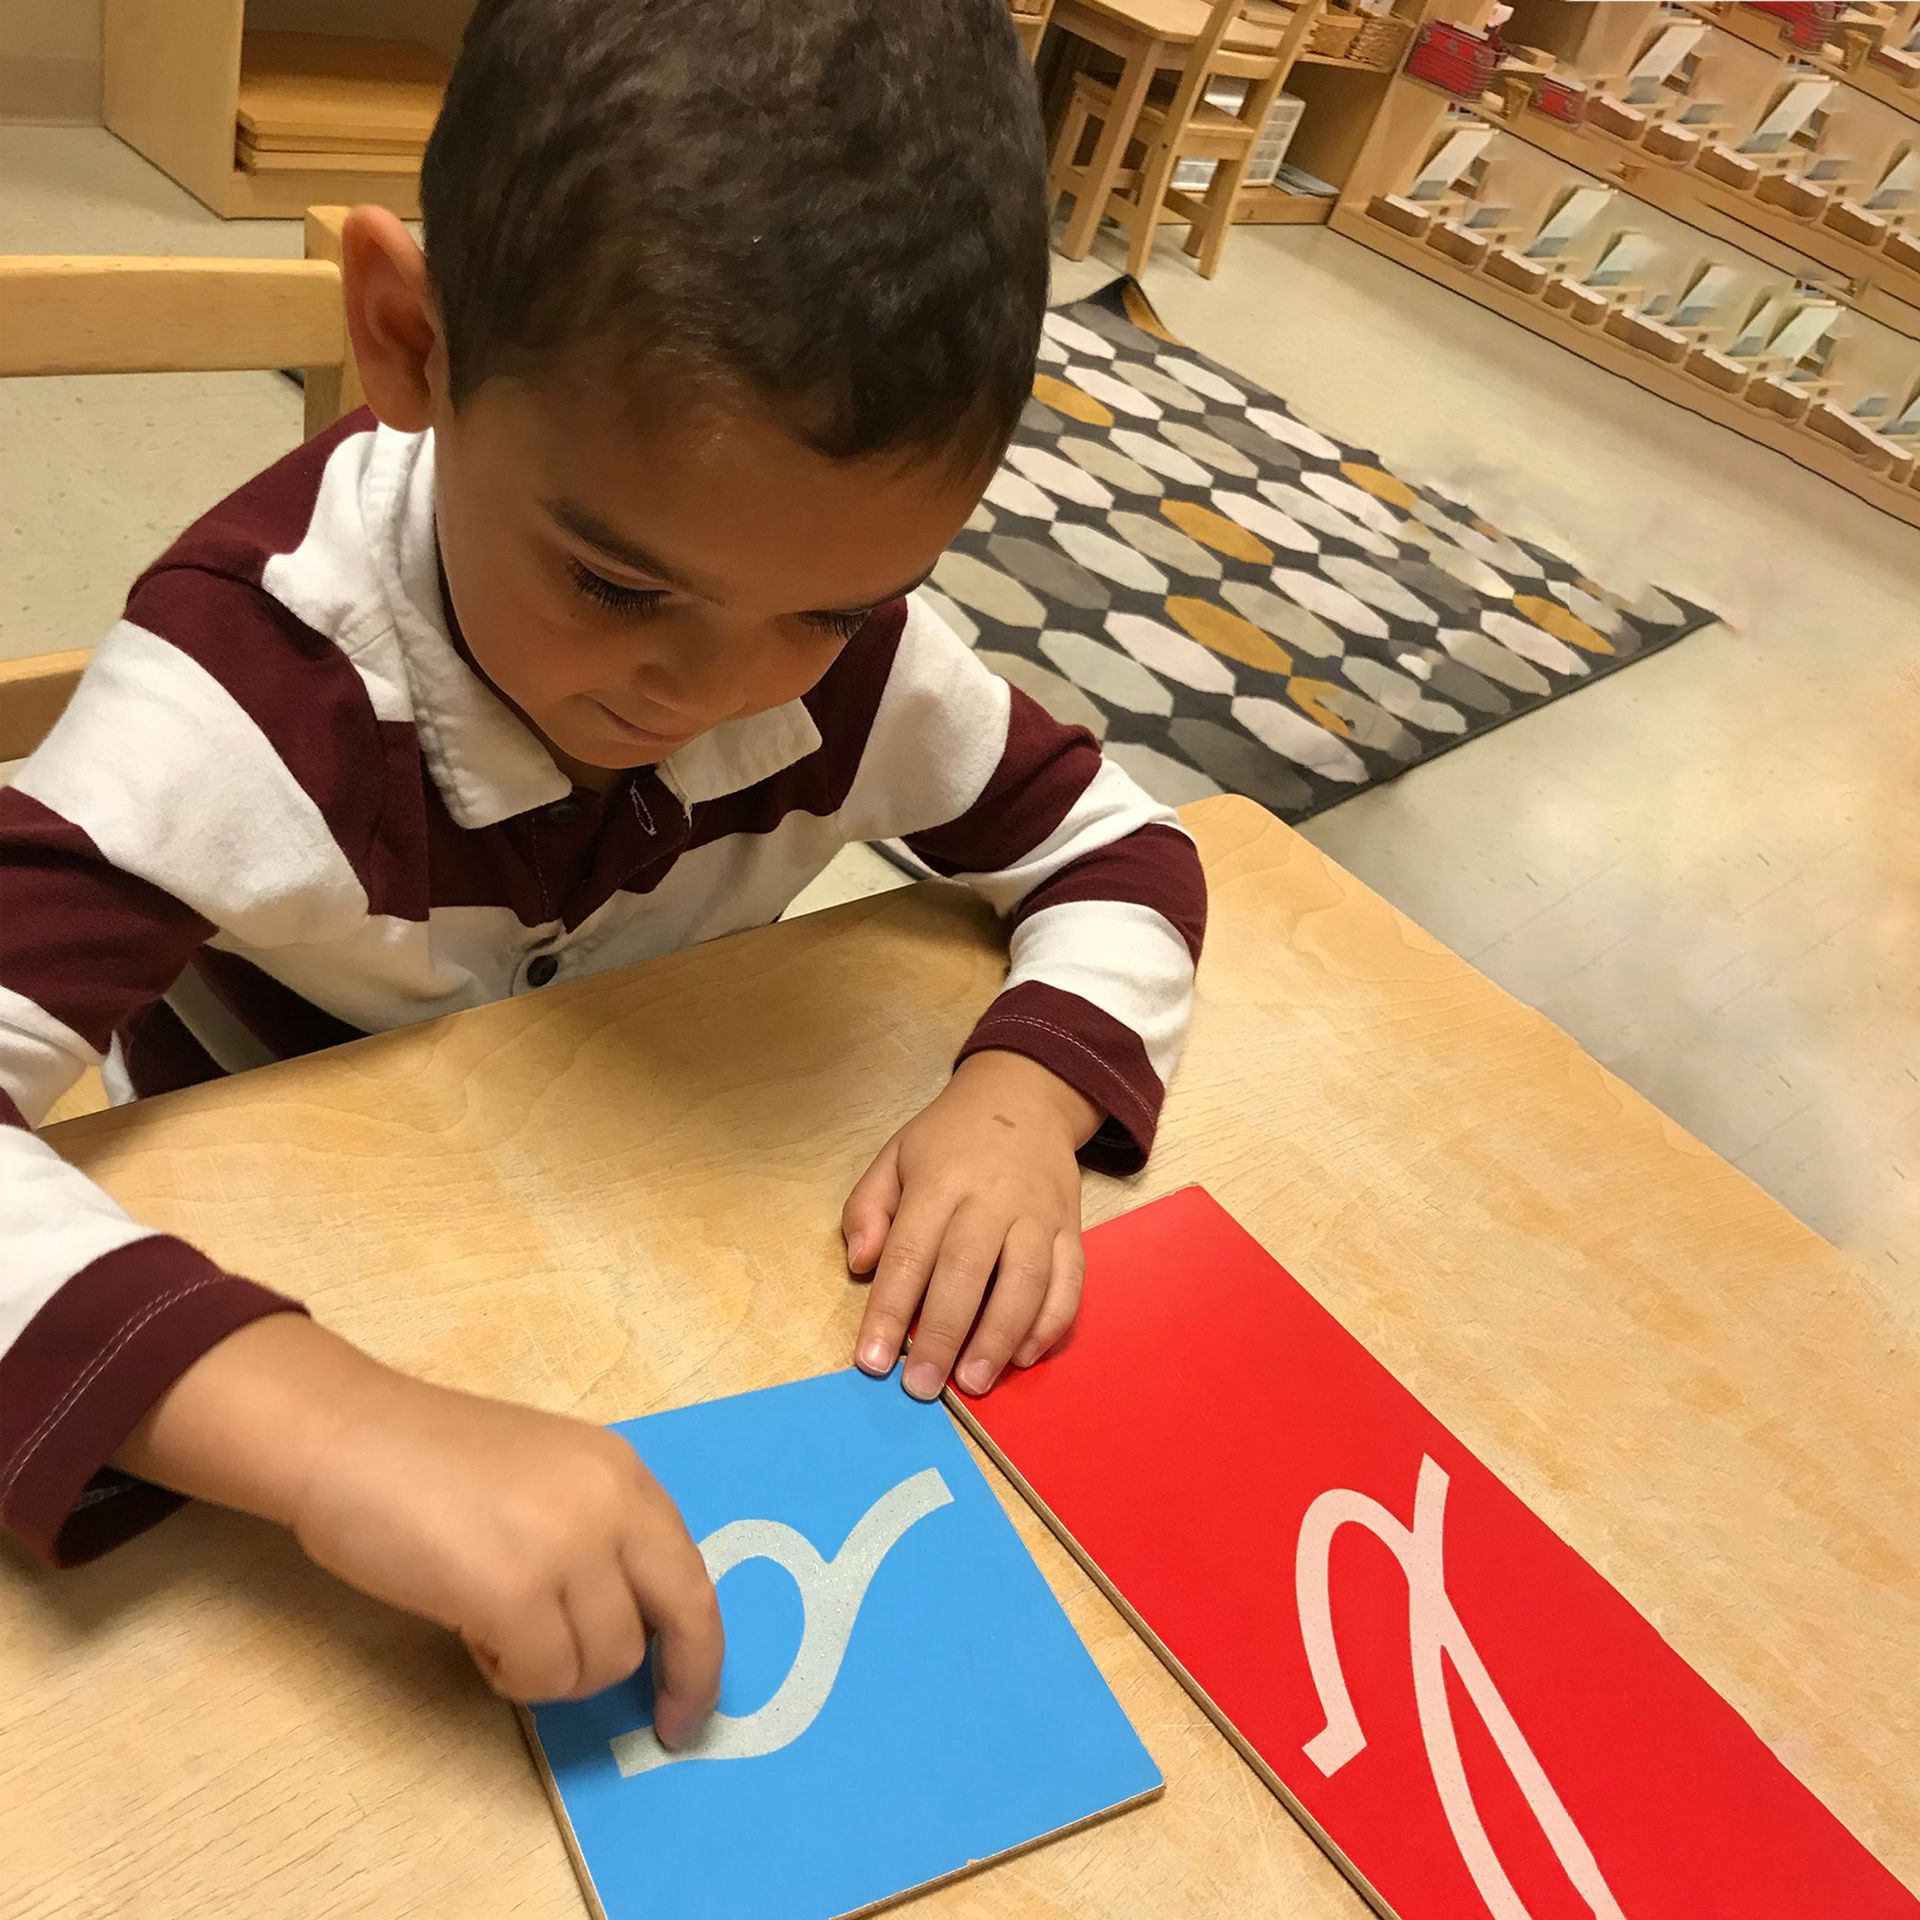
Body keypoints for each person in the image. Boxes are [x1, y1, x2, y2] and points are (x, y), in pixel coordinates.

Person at [0, 0, 1205, 1737]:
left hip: (618, 1281)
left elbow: (1123, 843)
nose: (711, 689)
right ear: (410, 343)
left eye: (832, 603)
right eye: (620, 589)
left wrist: (1024, 1096)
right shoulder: (249, 696)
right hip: (259, 1341)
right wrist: (340, 1430)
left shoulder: (855, 672)